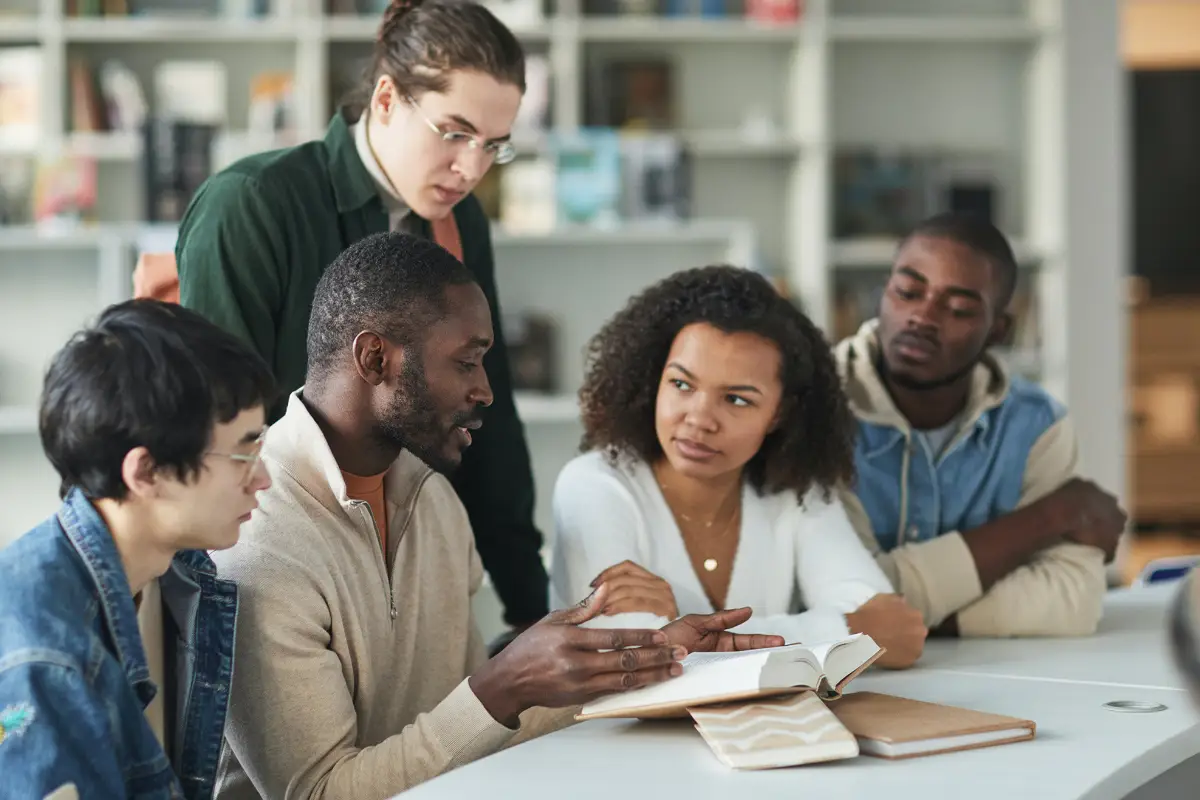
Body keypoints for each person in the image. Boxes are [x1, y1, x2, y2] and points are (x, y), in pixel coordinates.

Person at [211, 233, 783, 799]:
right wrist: (502, 685)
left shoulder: (431, 496)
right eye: (466, 363)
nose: (485, 391)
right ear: (374, 357)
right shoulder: (258, 540)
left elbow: (461, 734)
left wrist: (646, 661)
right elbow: (319, 792)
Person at [174, 0, 549, 639]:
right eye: (454, 133)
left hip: (412, 557)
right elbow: (222, 432)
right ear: (385, 99)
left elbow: (490, 411)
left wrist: (531, 608)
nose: (472, 168)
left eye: (494, 146)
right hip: (274, 565)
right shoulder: (253, 205)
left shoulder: (461, 223)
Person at [549, 265, 928, 669]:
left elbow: (896, 634)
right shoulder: (594, 485)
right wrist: (843, 627)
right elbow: (638, 661)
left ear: (779, 413)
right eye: (681, 384)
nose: (699, 419)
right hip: (607, 733)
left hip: (766, 731)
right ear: (652, 379)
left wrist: (684, 626)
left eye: (736, 399)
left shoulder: (794, 490)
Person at [0, 300, 275, 799]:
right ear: (145, 472)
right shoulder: (44, 661)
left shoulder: (179, 573)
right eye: (244, 453)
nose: (264, 478)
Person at [834, 212, 1128, 638]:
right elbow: (846, 600)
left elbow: (1073, 599)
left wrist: (903, 620)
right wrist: (1050, 517)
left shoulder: (1036, 425)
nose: (923, 317)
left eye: (958, 309)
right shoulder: (816, 407)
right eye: (908, 291)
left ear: (998, 330)